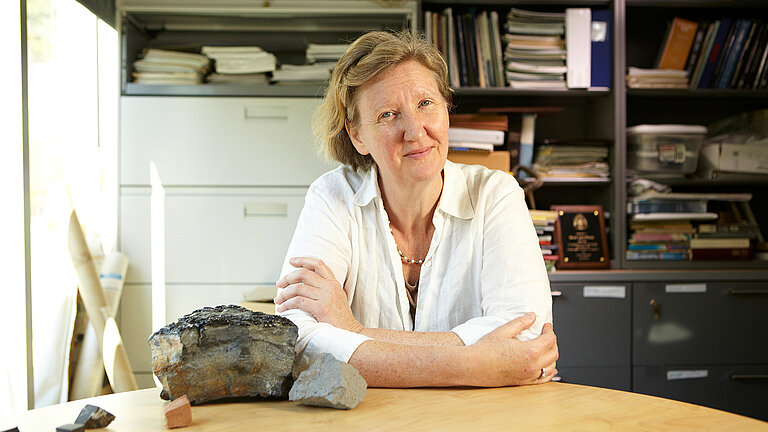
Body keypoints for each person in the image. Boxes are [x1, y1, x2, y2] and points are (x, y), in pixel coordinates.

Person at [274, 30, 557, 388]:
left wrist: (353, 330)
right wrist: (476, 365)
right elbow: (295, 341)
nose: (415, 131)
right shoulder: (332, 197)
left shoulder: (496, 194)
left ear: (446, 108)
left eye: (426, 104)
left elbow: (527, 339)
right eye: (389, 114)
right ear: (357, 135)